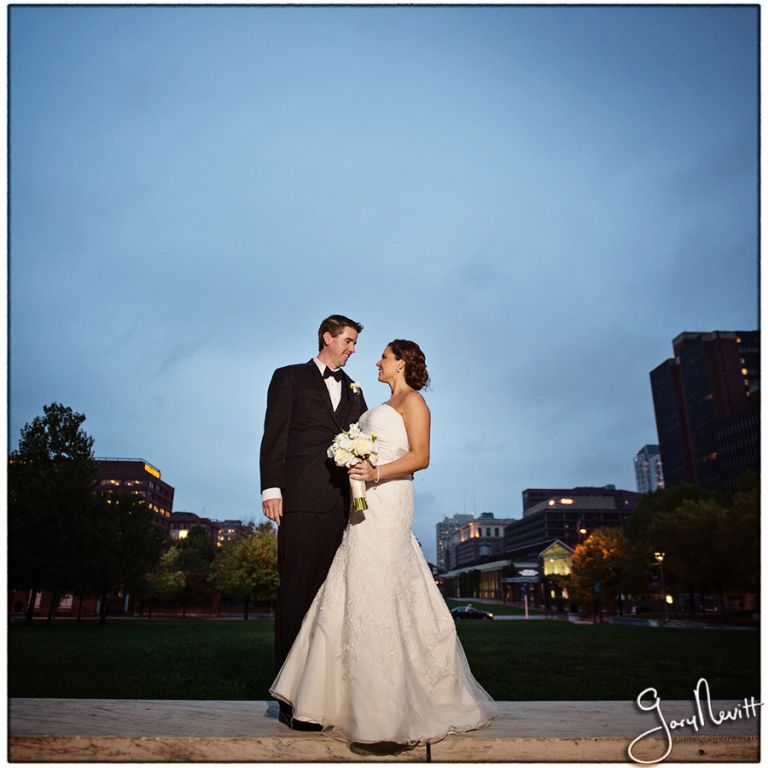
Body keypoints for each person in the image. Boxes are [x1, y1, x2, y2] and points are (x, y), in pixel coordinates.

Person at [270, 339, 497, 747]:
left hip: (390, 499)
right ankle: (334, 702)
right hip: (364, 504)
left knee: (382, 585)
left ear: (401, 363)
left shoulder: (414, 403)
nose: (376, 361)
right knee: (351, 585)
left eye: (385, 357)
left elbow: (421, 457)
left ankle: (387, 710)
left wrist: (375, 472)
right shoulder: (377, 403)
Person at [260, 314, 368, 730]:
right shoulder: (288, 377)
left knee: (329, 602)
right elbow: (275, 434)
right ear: (327, 337)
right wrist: (272, 489)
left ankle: (321, 699)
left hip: (342, 507)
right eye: (349, 341)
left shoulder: (355, 390)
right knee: (296, 597)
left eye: (355, 343)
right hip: (301, 501)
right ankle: (288, 700)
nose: (353, 349)